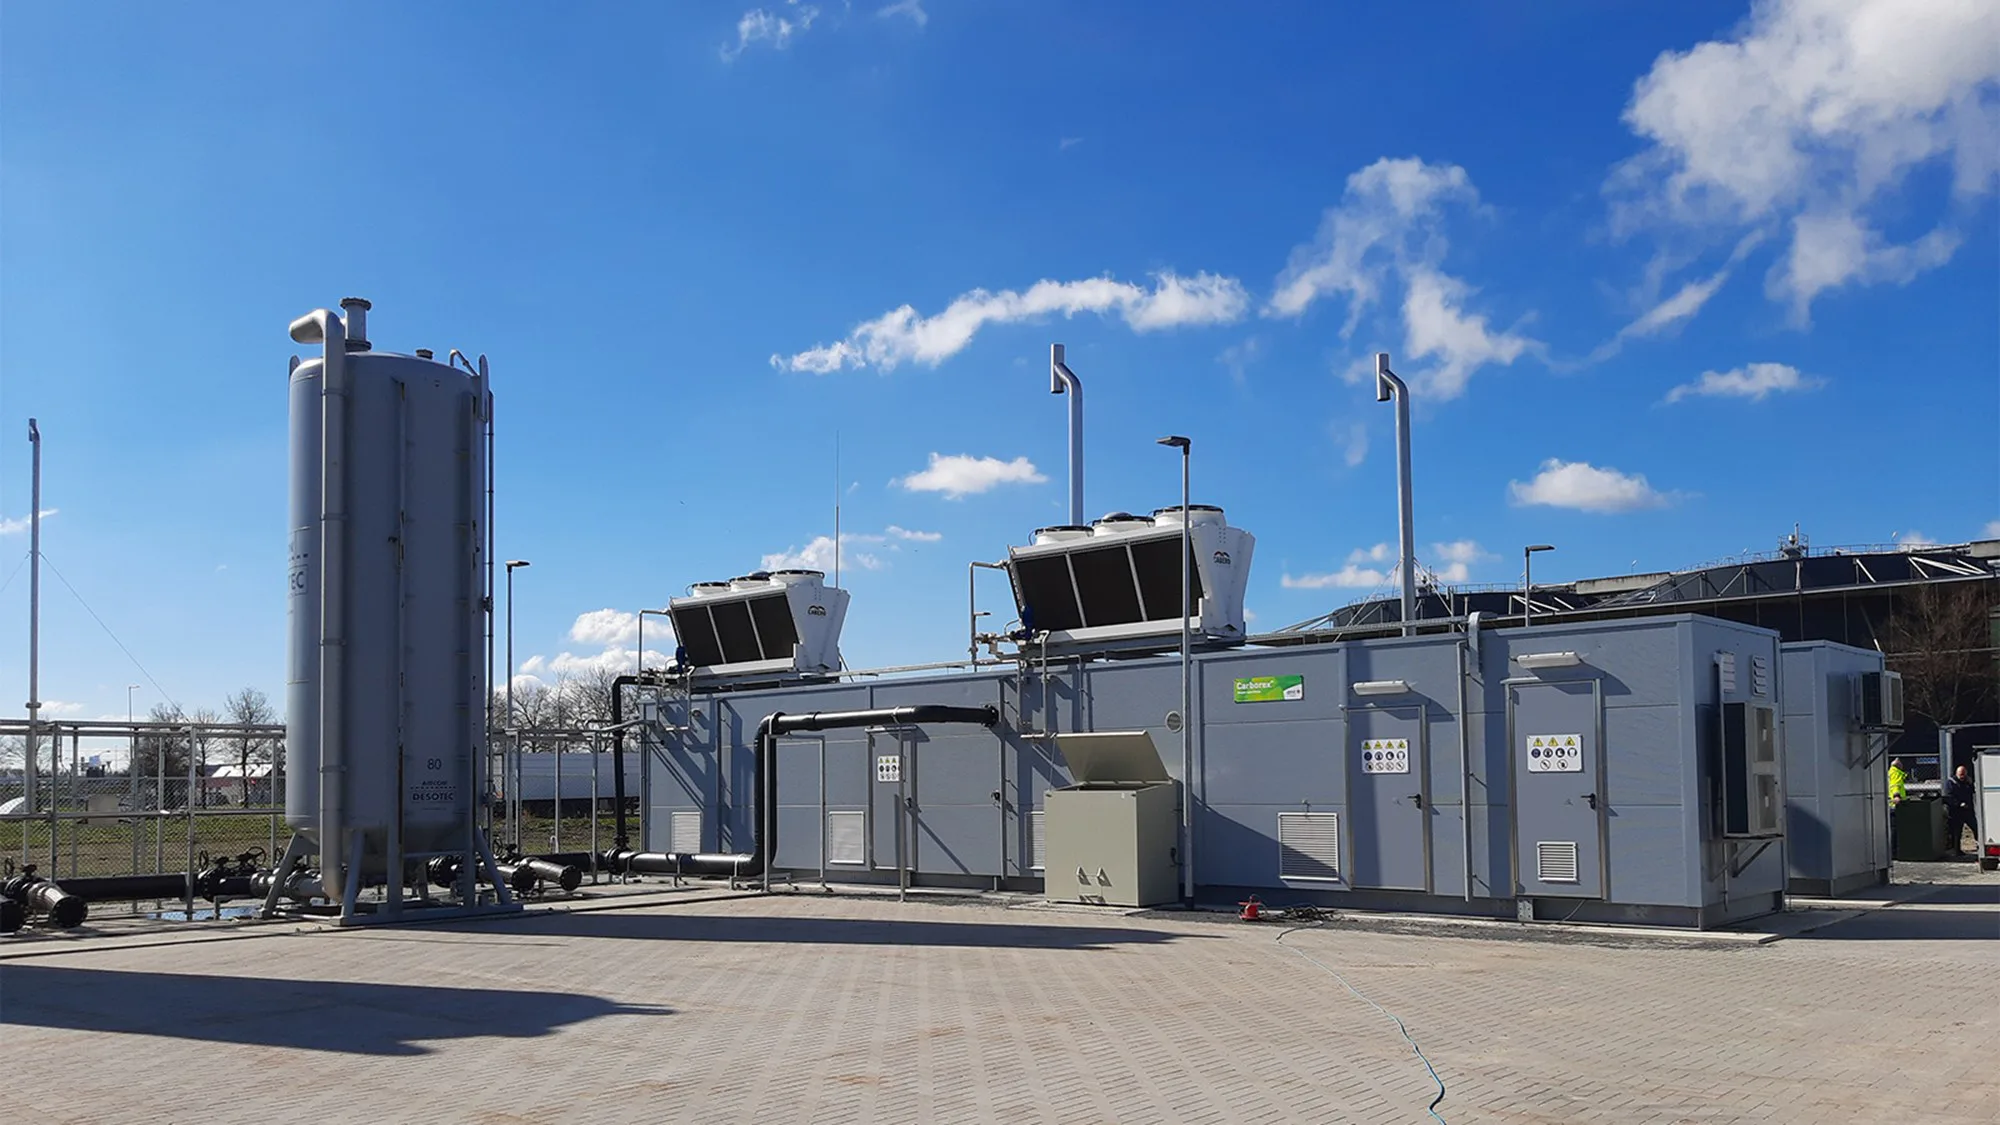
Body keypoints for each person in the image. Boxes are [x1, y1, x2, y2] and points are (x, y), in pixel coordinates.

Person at [1943, 765, 1978, 858]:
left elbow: (1973, 792)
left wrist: (1971, 784)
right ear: (1957, 774)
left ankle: (1979, 845)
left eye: (1964, 775)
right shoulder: (1951, 782)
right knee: (1957, 831)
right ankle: (1956, 850)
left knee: (1975, 827)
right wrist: (1958, 804)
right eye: (1961, 775)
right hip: (1956, 811)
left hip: (1968, 810)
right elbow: (1948, 797)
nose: (1962, 777)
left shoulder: (1967, 782)